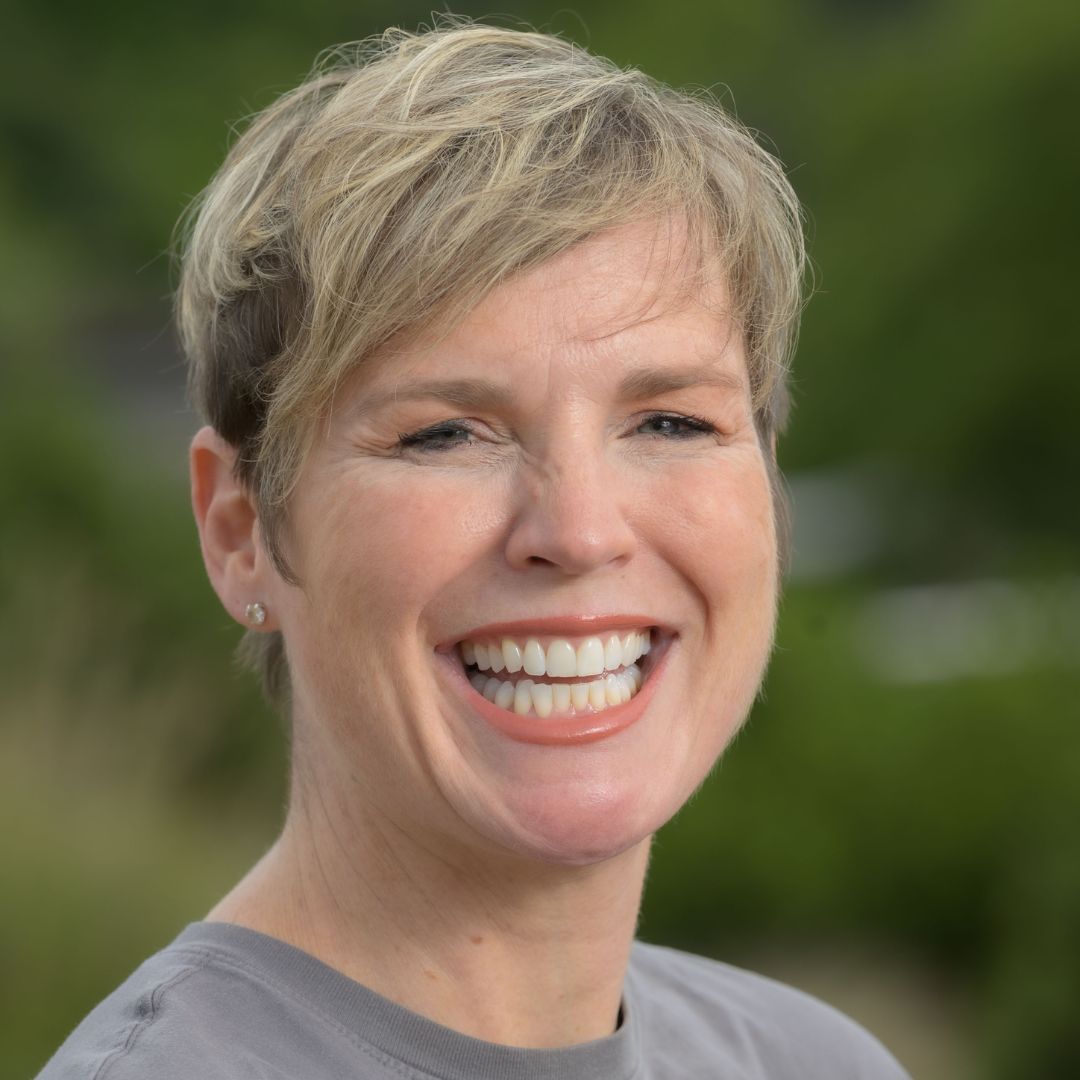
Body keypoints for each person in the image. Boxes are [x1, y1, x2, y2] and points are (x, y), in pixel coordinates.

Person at [38, 20, 910, 1079]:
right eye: (444, 433)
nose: (580, 531)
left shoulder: (814, 1062)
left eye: (671, 422)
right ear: (241, 531)